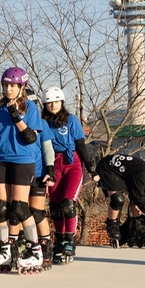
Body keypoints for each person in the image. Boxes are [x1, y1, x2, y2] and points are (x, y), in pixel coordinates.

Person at [0, 67, 46, 273]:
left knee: (19, 207)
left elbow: (31, 138)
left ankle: (35, 250)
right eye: (6, 85)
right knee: (0, 206)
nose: (8, 89)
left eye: (12, 86)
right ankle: (4, 249)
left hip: (22, 160)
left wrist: (16, 116)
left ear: (21, 87)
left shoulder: (31, 108)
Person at [41, 87, 95, 264]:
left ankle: (70, 239)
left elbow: (81, 144)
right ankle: (60, 238)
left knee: (68, 203)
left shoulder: (71, 120)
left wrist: (91, 168)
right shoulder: (43, 122)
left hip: (73, 163)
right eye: (49, 103)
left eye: (55, 102)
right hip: (53, 163)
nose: (52, 105)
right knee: (55, 206)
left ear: (62, 102)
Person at [93, 153, 145, 248]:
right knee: (118, 199)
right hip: (107, 168)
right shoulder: (143, 174)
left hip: (121, 173)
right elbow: (139, 198)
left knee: (136, 197)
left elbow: (138, 196)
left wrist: (138, 220)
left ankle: (135, 226)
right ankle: (112, 226)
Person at [26, 89, 57, 269]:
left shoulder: (42, 124)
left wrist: (50, 171)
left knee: (36, 212)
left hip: (38, 173)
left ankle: (45, 248)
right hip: (17, 174)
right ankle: (23, 245)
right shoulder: (12, 122)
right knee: (17, 211)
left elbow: (48, 149)